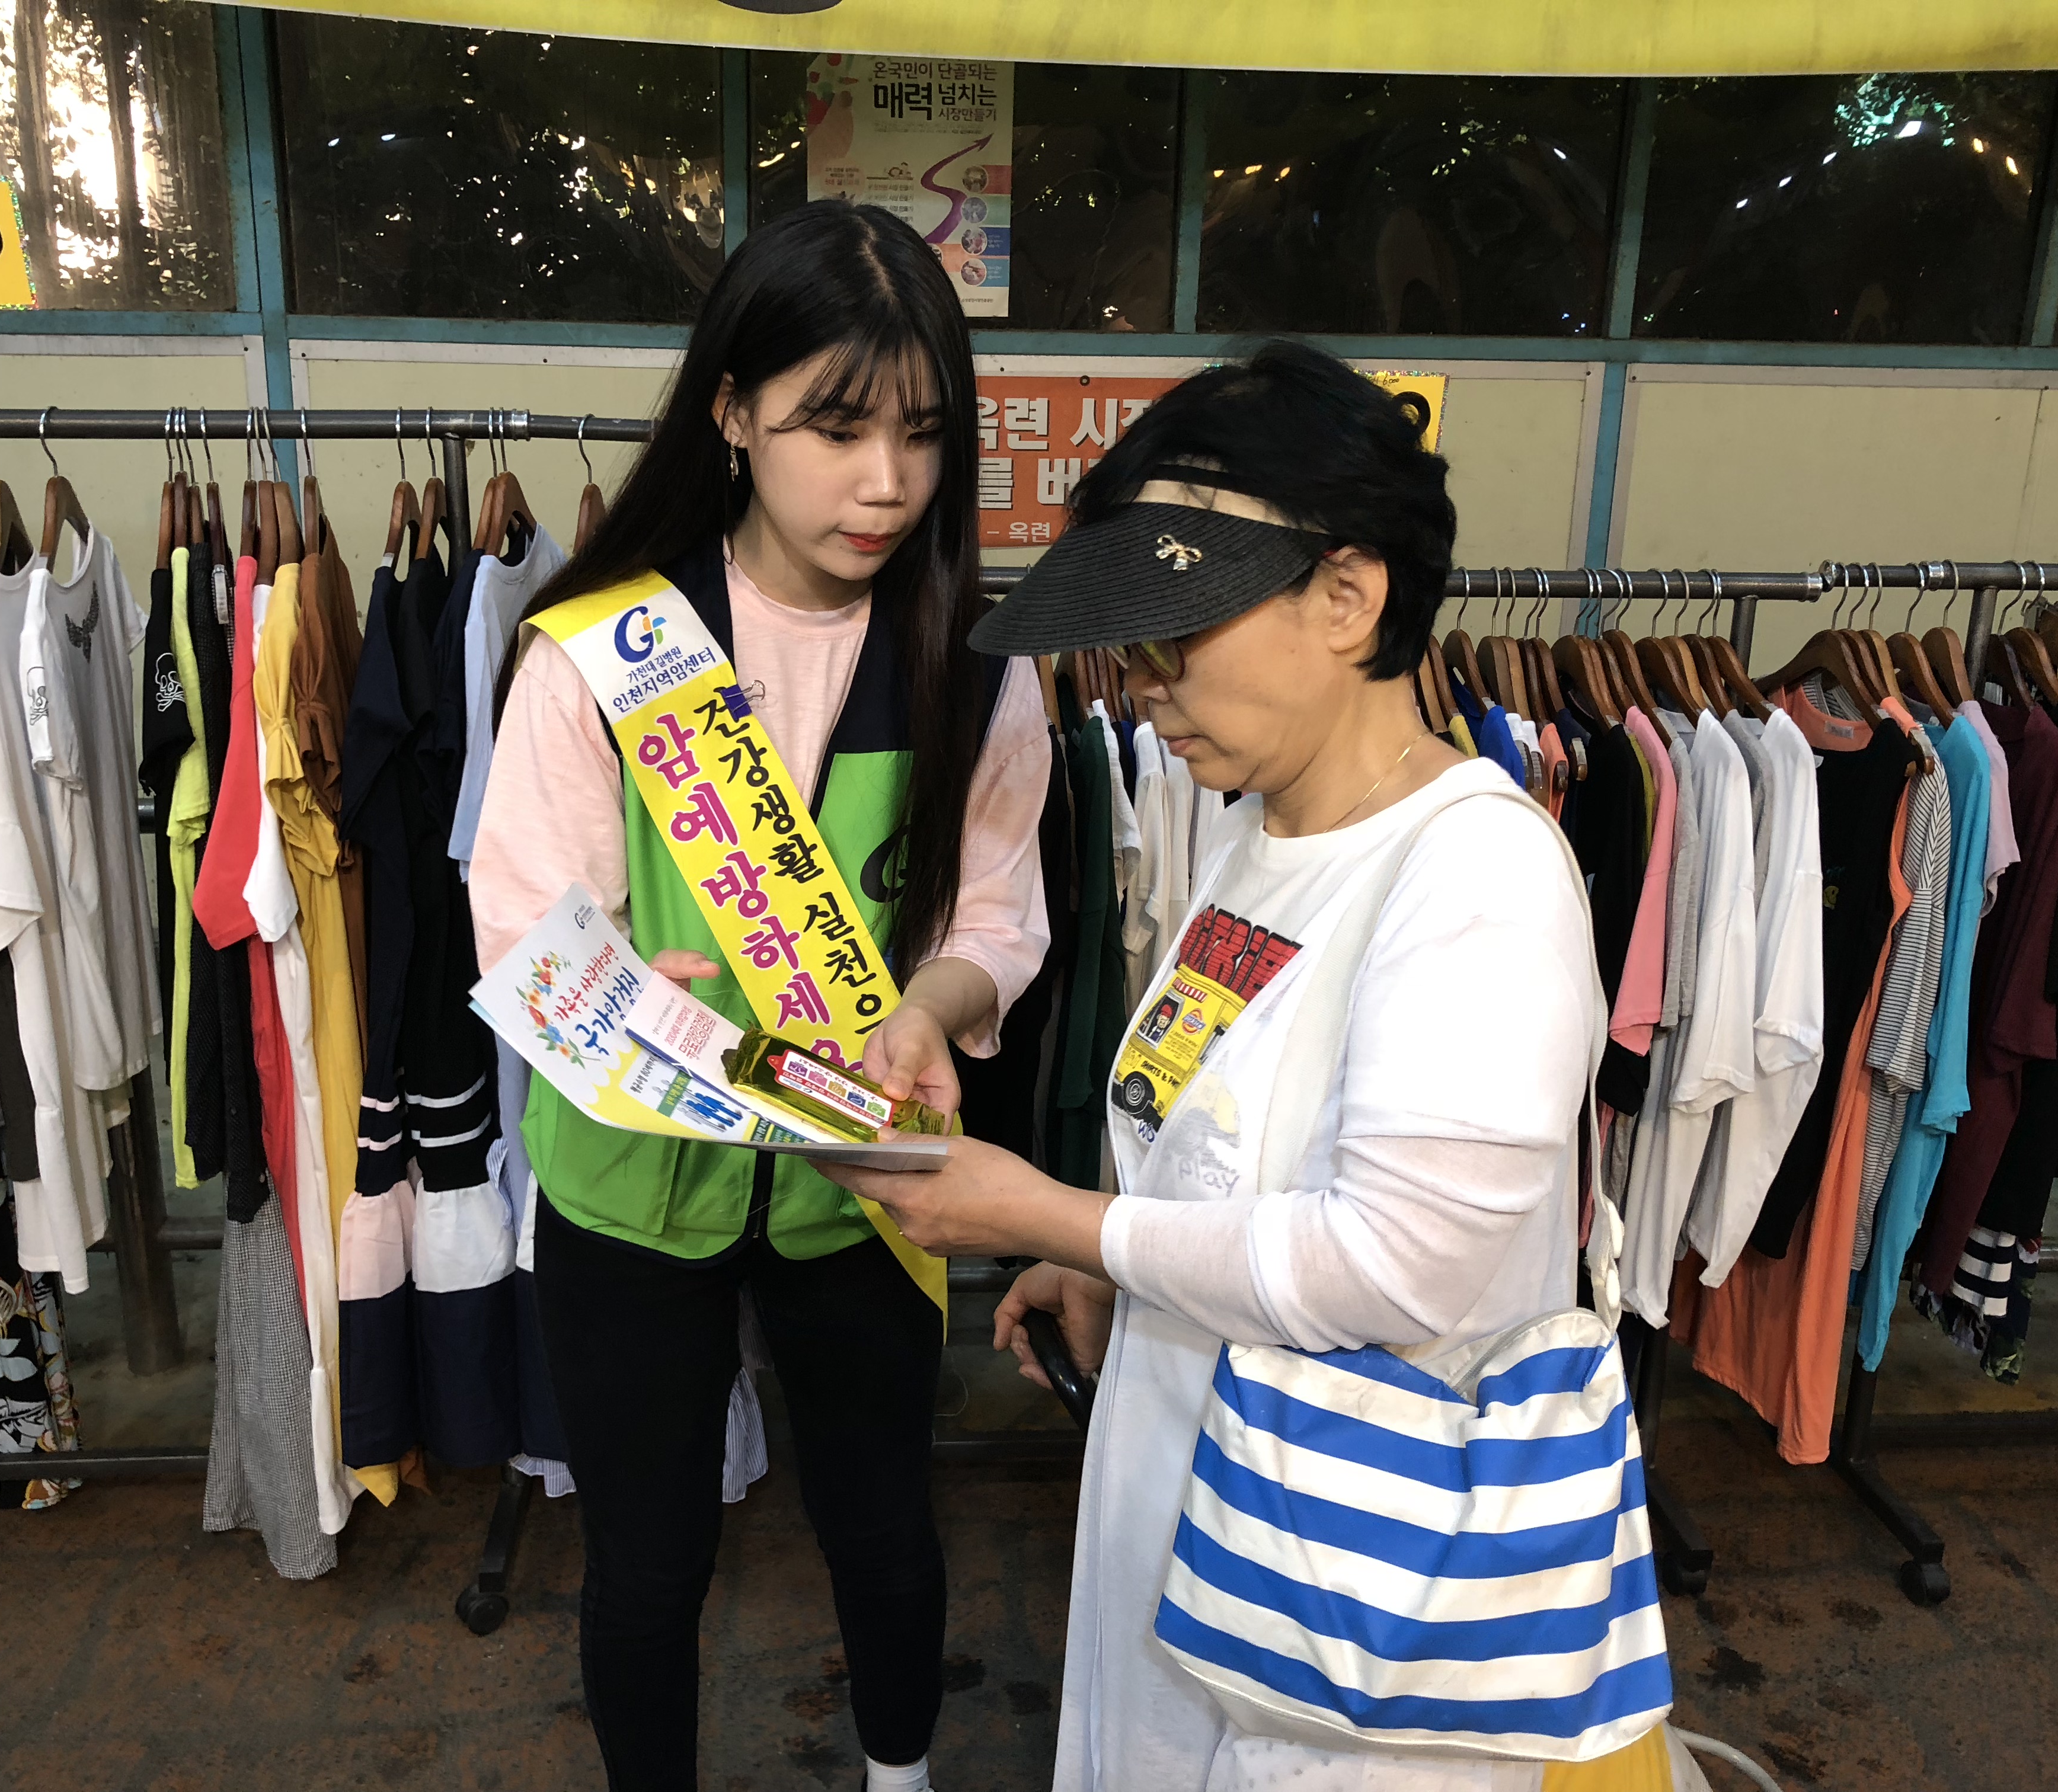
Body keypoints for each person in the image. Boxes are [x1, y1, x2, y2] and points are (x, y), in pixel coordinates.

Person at [824, 343, 1701, 1791]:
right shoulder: (1258, 833)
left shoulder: (1475, 877)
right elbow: (1221, 1141)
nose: (1142, 688)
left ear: (1348, 599)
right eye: (1129, 650)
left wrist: (1052, 1219)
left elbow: (1392, 1265)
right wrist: (1118, 1274)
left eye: (1175, 637)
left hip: (1348, 1620)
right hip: (1202, 1522)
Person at [469, 200, 1051, 1792]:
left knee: (885, 1523)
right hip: (629, 1185)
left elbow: (997, 909)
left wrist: (931, 1004)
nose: (888, 483)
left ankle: (901, 1774)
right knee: (648, 1565)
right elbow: (525, 929)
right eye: (837, 428)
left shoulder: (980, 662)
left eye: (923, 433)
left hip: (861, 1178)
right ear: (732, 413)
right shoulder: (600, 652)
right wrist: (610, 997)